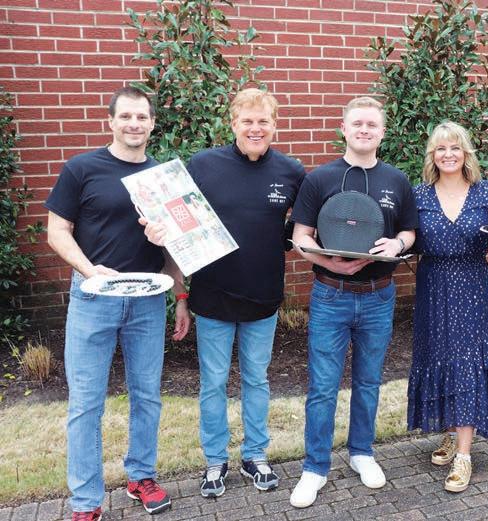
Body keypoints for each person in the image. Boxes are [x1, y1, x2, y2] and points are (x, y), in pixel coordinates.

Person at [142, 88, 306, 498]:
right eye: (247, 121)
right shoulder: (203, 165)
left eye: (263, 121)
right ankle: (215, 460)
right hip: (213, 296)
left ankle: (255, 456)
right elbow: (176, 232)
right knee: (213, 383)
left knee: (257, 379)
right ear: (233, 124)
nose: (255, 128)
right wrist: (180, 295)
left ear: (274, 125)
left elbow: (302, 228)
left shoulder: (291, 171)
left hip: (263, 297)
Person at [45, 86, 190, 521]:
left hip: (147, 302)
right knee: (86, 403)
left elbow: (177, 248)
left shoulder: (164, 178)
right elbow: (56, 232)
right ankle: (86, 503)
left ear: (152, 123)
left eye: (142, 117)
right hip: (94, 299)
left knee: (147, 396)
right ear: (110, 121)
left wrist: (181, 296)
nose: (134, 124)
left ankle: (141, 477)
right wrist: (90, 270)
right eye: (125, 116)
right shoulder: (82, 169)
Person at [289, 96, 417, 508]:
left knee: (368, 381)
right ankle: (315, 467)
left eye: (372, 125)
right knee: (323, 386)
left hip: (379, 296)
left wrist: (397, 243)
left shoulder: (396, 180)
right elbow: (301, 236)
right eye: (357, 123)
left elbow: (410, 232)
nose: (364, 130)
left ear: (382, 132)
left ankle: (362, 452)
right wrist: (326, 261)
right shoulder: (320, 179)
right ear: (344, 129)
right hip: (331, 295)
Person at [407, 121, 488, 493]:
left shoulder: (485, 192)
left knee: (467, 360)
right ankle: (451, 433)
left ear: (466, 153)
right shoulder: (418, 194)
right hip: (432, 284)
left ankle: (464, 455)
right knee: (439, 355)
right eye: (440, 148)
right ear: (432, 155)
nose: (448, 154)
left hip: (471, 282)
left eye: (455, 147)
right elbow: (408, 240)